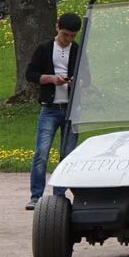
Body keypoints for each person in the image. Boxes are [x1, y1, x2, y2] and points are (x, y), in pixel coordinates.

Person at [24, 12, 83, 210]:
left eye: (72, 36)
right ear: (57, 27)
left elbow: (87, 78)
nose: (68, 40)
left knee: (67, 154)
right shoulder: (44, 48)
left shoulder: (78, 50)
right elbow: (30, 74)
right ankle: (36, 195)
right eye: (65, 34)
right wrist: (50, 79)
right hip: (50, 107)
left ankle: (59, 194)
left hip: (71, 109)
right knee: (42, 152)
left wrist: (76, 82)